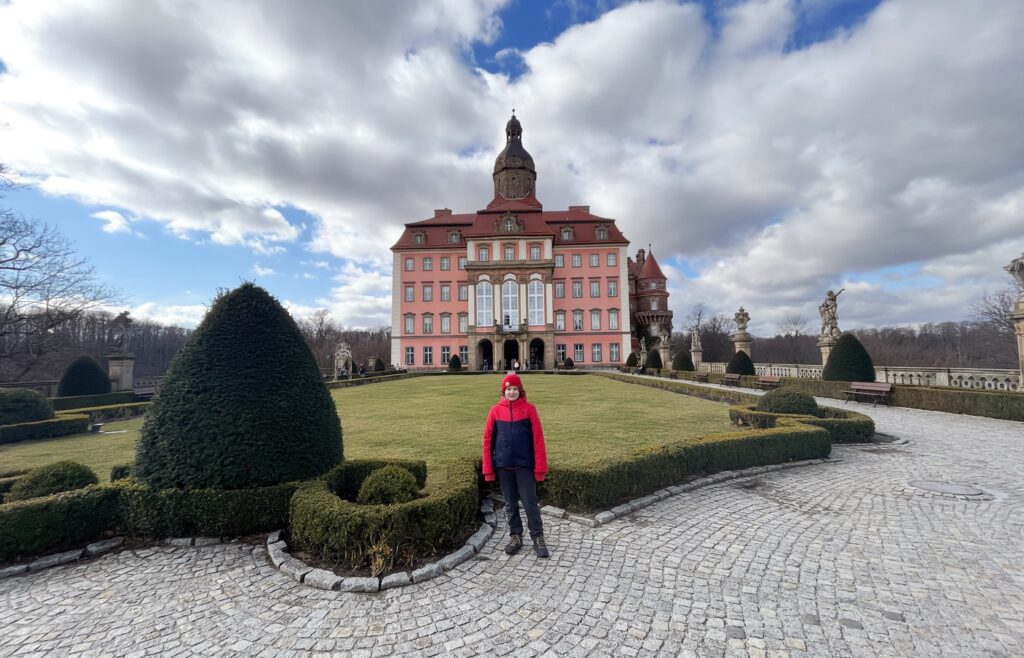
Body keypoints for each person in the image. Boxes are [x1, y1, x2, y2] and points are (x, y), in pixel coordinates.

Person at [482, 373, 549, 558]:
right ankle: (516, 536)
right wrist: (488, 469)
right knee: (510, 504)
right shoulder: (495, 411)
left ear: (520, 391)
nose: (511, 392)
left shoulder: (530, 410)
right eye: (508, 389)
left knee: (530, 503)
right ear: (503, 392)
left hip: (524, 466)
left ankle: (538, 536)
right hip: (504, 467)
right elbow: (487, 441)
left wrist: (540, 468)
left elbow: (538, 440)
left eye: (514, 389)